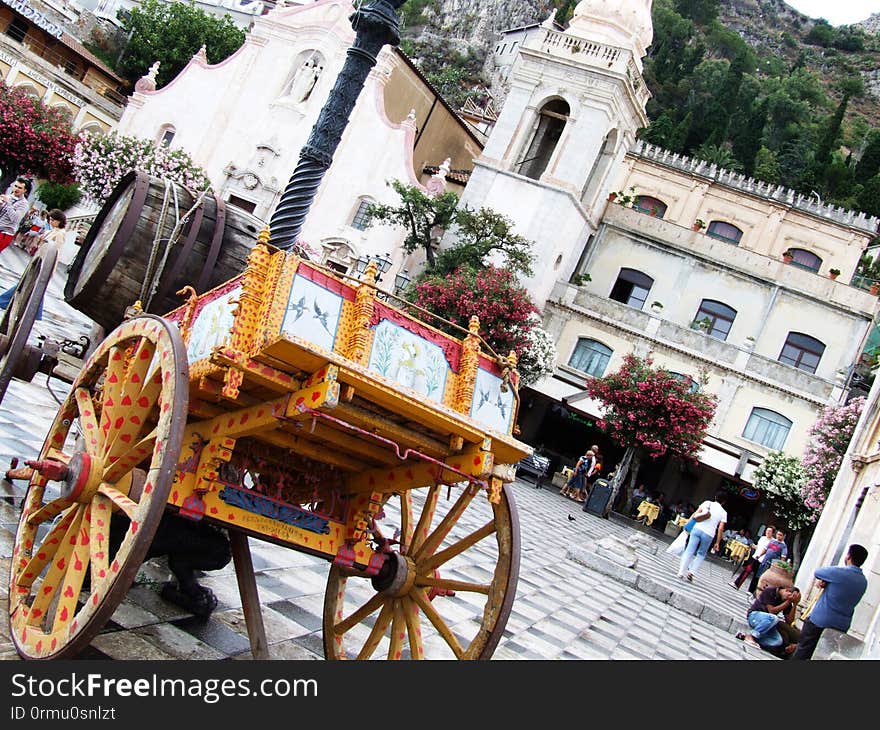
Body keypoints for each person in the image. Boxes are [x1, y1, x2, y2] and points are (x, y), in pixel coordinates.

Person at [791, 544, 869, 660]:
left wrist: (827, 582)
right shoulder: (863, 581)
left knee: (803, 650)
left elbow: (818, 572)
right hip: (841, 625)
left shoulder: (840, 572)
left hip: (820, 620)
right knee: (823, 656)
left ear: (848, 556)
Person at [0, 209, 66, 317]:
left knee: (32, 286)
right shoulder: (53, 231)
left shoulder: (60, 233)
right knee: (30, 284)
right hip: (39, 260)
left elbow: (56, 251)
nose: (51, 221)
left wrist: (50, 267)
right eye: (50, 219)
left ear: (59, 221)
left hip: (45, 263)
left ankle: (6, 302)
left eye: (53, 220)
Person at [676, 490, 727, 582]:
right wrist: (718, 542)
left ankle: (681, 572)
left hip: (697, 529)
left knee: (689, 550)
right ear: (724, 502)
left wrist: (687, 524)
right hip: (709, 534)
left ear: (715, 497)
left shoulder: (707, 503)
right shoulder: (724, 513)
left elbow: (695, 514)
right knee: (701, 554)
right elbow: (720, 528)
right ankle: (691, 572)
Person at [738, 584, 799, 653]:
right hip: (754, 616)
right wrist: (788, 601)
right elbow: (771, 611)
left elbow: (789, 621)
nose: (788, 599)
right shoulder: (771, 590)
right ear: (786, 590)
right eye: (789, 596)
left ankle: (746, 637)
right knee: (774, 618)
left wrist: (795, 605)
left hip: (767, 623)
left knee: (778, 641)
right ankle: (751, 636)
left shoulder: (787, 602)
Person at [729, 525, 773, 590]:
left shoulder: (772, 541)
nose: (767, 532)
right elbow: (758, 547)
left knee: (756, 576)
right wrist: (753, 546)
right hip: (755, 557)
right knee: (747, 570)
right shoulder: (762, 538)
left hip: (762, 560)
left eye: (769, 531)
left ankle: (751, 590)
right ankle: (737, 583)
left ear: (772, 533)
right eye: (767, 530)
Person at [748, 528, 788, 595]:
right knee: (757, 576)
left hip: (771, 566)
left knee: (765, 580)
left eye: (780, 535)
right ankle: (751, 591)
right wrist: (759, 555)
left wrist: (779, 567)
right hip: (764, 562)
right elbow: (765, 549)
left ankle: (758, 593)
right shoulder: (772, 541)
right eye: (778, 534)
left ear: (784, 536)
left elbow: (783, 558)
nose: (778, 536)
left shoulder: (783, 546)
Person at [0, 177, 32, 253]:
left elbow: (15, 218)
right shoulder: (8, 197)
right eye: (15, 186)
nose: (16, 189)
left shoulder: (24, 204)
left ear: (25, 190)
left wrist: (8, 203)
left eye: (20, 188)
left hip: (5, 233)